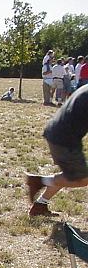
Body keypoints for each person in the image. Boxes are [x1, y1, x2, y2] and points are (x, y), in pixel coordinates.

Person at [25, 85, 88, 217]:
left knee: (68, 174)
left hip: (56, 132)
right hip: (64, 139)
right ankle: (40, 181)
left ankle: (40, 206)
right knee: (81, 178)